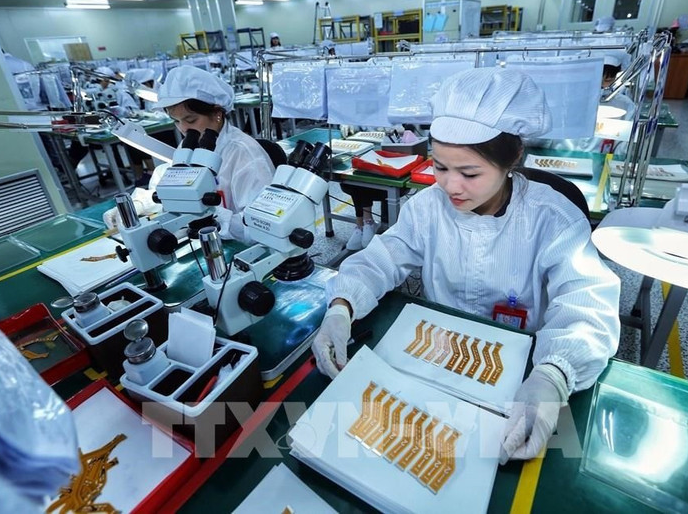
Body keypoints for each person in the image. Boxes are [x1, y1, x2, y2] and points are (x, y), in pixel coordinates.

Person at [311, 68, 621, 463]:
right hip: (433, 360)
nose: (450, 186)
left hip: (517, 374)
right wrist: (342, 307)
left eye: (469, 173)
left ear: (513, 161)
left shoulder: (553, 219)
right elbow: (383, 257)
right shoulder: (426, 208)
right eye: (440, 167)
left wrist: (554, 375)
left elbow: (586, 302)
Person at [103, 66, 275, 243]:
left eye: (190, 119)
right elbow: (174, 189)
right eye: (176, 121)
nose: (184, 129)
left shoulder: (244, 154)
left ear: (217, 113)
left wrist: (210, 215)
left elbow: (260, 227)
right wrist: (138, 205)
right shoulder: (192, 144)